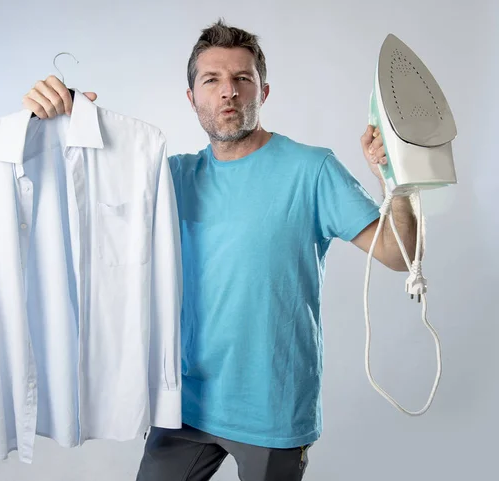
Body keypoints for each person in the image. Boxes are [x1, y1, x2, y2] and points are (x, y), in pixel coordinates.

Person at [22, 19, 419, 481]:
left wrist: (398, 179)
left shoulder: (312, 170)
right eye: (211, 80)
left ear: (263, 92)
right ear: (191, 98)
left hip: (273, 407)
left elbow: (399, 255)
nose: (227, 92)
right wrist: (60, 119)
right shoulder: (170, 177)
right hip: (187, 403)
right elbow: (86, 194)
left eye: (241, 79)